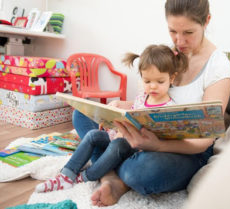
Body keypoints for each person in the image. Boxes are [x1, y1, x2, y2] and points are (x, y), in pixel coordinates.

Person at [77, 0, 230, 206]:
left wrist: (158, 145)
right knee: (81, 113)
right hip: (141, 140)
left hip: (187, 150)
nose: (179, 40)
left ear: (206, 21)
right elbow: (152, 102)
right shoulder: (170, 55)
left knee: (142, 171)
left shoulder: (218, 65)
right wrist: (121, 106)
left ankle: (114, 173)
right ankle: (111, 176)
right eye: (172, 31)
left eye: (188, 32)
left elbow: (205, 139)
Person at [35, 44, 188, 193]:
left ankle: (87, 176)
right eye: (147, 81)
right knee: (92, 135)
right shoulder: (142, 98)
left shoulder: (169, 108)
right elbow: (128, 119)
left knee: (117, 145)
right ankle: (66, 176)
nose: (152, 86)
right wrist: (110, 122)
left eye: (160, 82)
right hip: (120, 137)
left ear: (172, 78)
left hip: (136, 149)